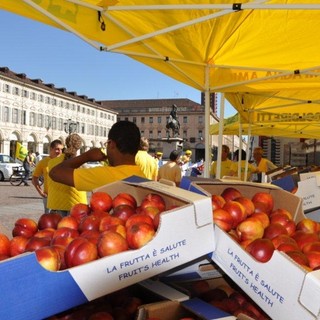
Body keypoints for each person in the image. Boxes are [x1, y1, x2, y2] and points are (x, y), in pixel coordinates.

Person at [49, 120, 146, 191]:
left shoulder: (106, 175)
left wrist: (87, 156)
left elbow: (55, 173)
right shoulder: (142, 175)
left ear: (111, 144)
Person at [47, 134, 88, 216]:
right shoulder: (81, 163)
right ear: (79, 146)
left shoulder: (51, 162)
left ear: (65, 144)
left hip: (56, 203)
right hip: (77, 204)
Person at [32, 139, 64, 213]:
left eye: (61, 149)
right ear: (51, 149)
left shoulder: (63, 161)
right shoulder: (43, 162)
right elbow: (34, 178)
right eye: (57, 149)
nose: (59, 152)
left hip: (62, 196)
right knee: (48, 219)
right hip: (49, 196)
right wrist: (41, 192)